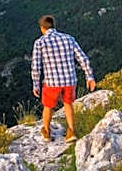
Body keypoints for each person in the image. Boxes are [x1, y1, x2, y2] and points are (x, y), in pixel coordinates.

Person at [31, 14, 95, 143]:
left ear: (42, 28)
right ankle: (71, 132)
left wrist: (36, 85)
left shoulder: (40, 42)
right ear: (53, 26)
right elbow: (82, 58)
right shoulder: (69, 39)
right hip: (70, 80)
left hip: (52, 82)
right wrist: (89, 77)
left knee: (48, 106)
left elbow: (36, 66)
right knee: (68, 104)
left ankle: (47, 132)